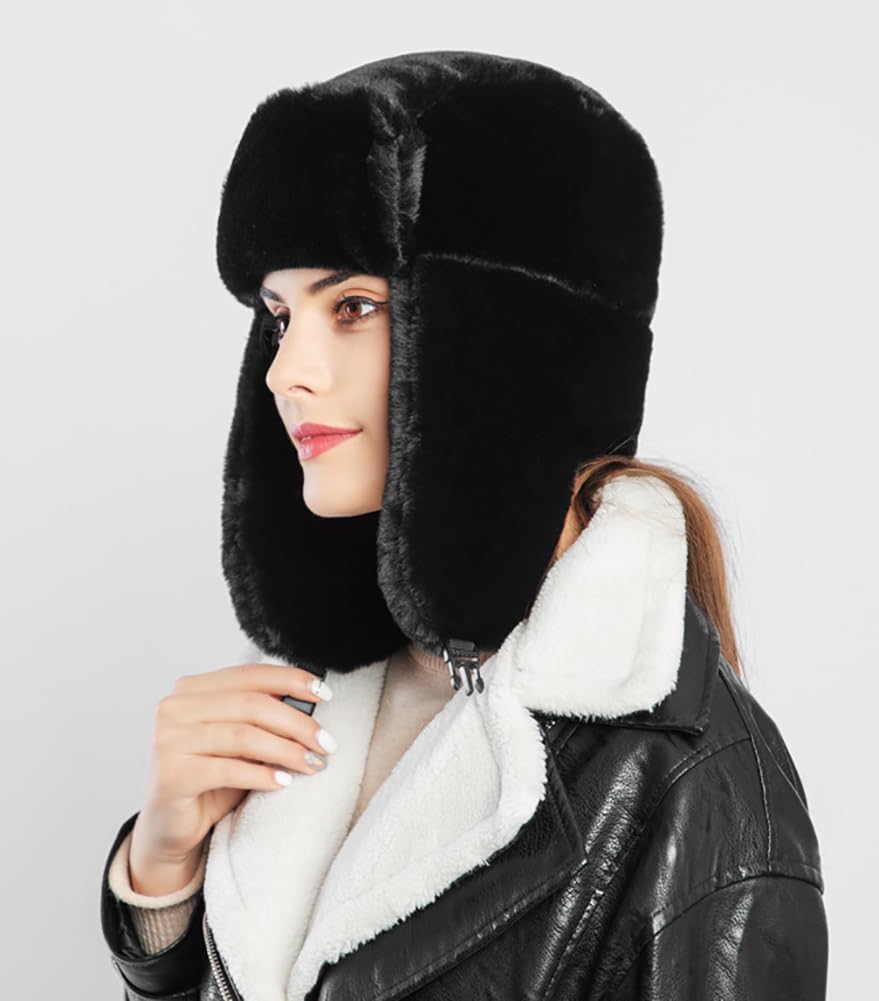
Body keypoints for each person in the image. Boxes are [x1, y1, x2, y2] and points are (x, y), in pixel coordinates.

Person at [100, 50, 828, 1001]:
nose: (286, 371)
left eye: (352, 306)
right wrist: (161, 872)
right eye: (279, 317)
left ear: (505, 337)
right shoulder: (323, 693)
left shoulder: (703, 796)